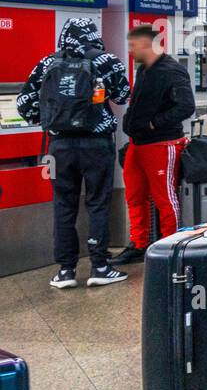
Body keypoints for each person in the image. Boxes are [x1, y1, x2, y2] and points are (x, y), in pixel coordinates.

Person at [17, 17, 131, 288]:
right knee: (97, 203)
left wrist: (50, 118)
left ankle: (65, 270)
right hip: (97, 145)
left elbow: (25, 104)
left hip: (59, 148)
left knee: (63, 204)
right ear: (93, 34)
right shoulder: (106, 60)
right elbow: (123, 95)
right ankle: (100, 266)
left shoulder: (48, 63)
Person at [111, 25, 196, 265]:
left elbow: (186, 107)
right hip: (138, 144)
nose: (130, 51)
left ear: (147, 45)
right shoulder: (144, 71)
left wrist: (153, 124)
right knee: (135, 195)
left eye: (133, 46)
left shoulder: (172, 71)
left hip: (162, 143)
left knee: (165, 197)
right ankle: (138, 244)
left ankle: (171, 246)